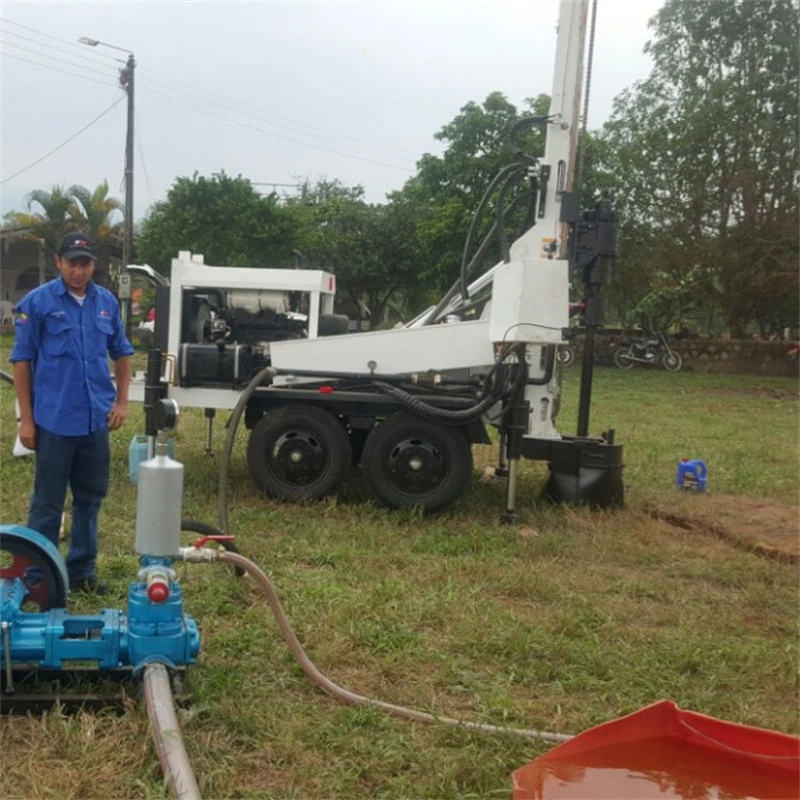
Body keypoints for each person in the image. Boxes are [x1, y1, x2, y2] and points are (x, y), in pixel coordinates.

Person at [10, 232, 134, 594]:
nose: (79, 271)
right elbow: (21, 361)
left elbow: (122, 353)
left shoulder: (106, 302)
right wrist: (28, 421)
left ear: (94, 265)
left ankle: (81, 572)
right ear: (58, 263)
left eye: (85, 263)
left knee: (89, 500)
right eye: (72, 263)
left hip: (95, 420)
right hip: (54, 422)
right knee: (48, 503)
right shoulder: (37, 303)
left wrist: (122, 402)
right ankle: (38, 578)